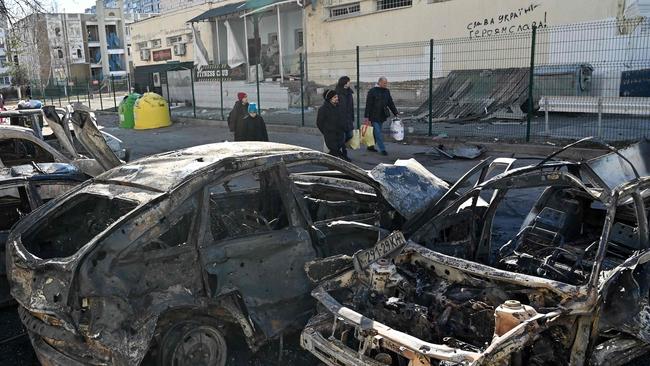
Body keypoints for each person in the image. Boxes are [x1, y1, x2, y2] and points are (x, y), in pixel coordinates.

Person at [364, 77, 399, 156]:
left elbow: (390, 102)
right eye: (384, 83)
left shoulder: (386, 91)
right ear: (379, 82)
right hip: (373, 115)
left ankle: (370, 146)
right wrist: (366, 116)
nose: (386, 84)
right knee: (378, 133)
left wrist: (395, 112)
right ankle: (382, 149)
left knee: (375, 132)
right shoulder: (372, 91)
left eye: (386, 83)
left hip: (382, 115)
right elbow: (368, 104)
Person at [317, 89, 348, 160]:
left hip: (340, 133)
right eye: (334, 97)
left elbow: (342, 118)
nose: (337, 98)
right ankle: (333, 165)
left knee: (335, 151)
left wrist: (343, 127)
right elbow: (319, 123)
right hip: (330, 135)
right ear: (329, 98)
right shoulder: (323, 109)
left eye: (337, 97)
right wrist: (326, 132)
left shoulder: (339, 107)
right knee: (334, 150)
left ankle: (332, 160)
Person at [335, 76, 354, 158]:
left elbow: (351, 106)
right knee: (342, 137)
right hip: (340, 118)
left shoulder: (349, 92)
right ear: (345, 82)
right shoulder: (337, 93)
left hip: (348, 118)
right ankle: (343, 154)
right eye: (348, 81)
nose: (350, 83)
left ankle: (335, 149)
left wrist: (352, 117)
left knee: (350, 135)